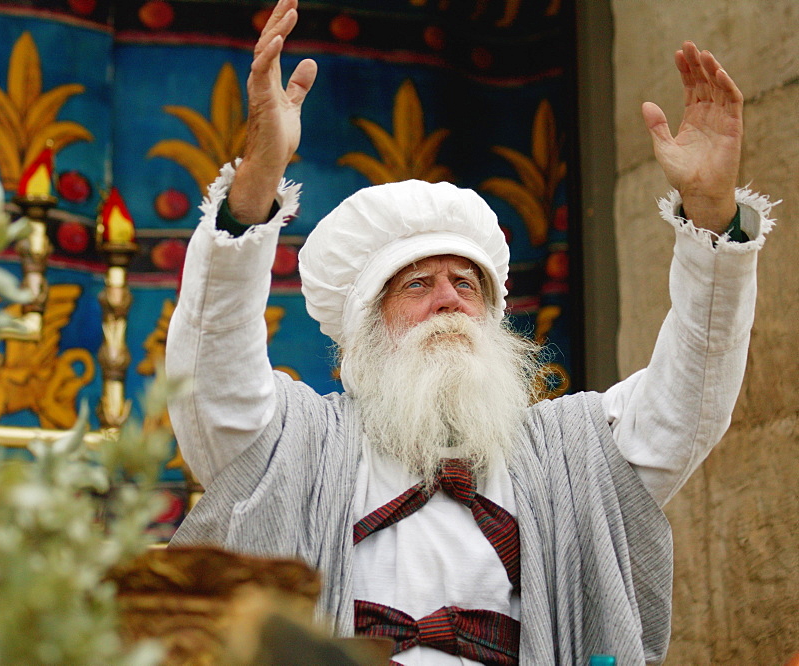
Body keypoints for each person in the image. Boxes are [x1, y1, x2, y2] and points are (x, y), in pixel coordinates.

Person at [165, 1, 776, 664]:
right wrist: (257, 179)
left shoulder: (572, 456)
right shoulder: (292, 445)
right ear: (366, 324)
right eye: (418, 285)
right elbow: (212, 365)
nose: (450, 301)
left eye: (467, 283)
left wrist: (714, 217)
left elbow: (691, 396)